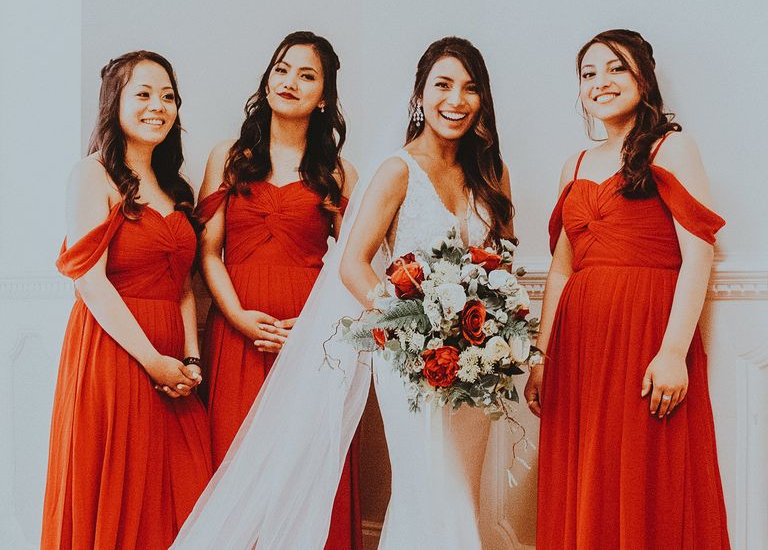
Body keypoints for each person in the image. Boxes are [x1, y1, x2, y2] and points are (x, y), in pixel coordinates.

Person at [171, 36, 514, 550]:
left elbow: (503, 261)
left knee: (461, 492)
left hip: (477, 363)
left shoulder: (491, 173)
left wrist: (500, 328)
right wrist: (414, 334)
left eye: (469, 88)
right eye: (442, 85)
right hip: (410, 357)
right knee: (426, 488)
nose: (456, 99)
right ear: (419, 96)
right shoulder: (396, 170)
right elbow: (354, 264)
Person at [525, 29, 730, 548]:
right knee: (586, 473)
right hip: (579, 348)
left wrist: (673, 352)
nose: (601, 82)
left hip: (645, 338)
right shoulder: (572, 165)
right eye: (588, 74)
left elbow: (698, 254)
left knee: (646, 475)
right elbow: (560, 271)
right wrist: (541, 357)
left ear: (643, 75)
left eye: (615, 68)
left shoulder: (673, 147)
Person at [195, 31, 361, 548]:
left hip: (309, 342)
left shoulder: (338, 171)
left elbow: (354, 267)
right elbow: (207, 253)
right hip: (236, 333)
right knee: (235, 464)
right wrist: (239, 317)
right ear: (267, 78)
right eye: (282, 69)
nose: (290, 82)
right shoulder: (228, 156)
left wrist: (314, 333)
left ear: (326, 96)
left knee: (305, 467)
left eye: (306, 75)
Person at [41, 51, 212, 549]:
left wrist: (189, 359)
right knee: (116, 494)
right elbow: (90, 283)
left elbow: (182, 285)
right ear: (114, 102)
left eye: (168, 96)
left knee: (182, 495)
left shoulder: (175, 187)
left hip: (174, 367)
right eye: (143, 94)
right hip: (115, 356)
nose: (158, 106)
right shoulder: (92, 175)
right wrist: (152, 361)